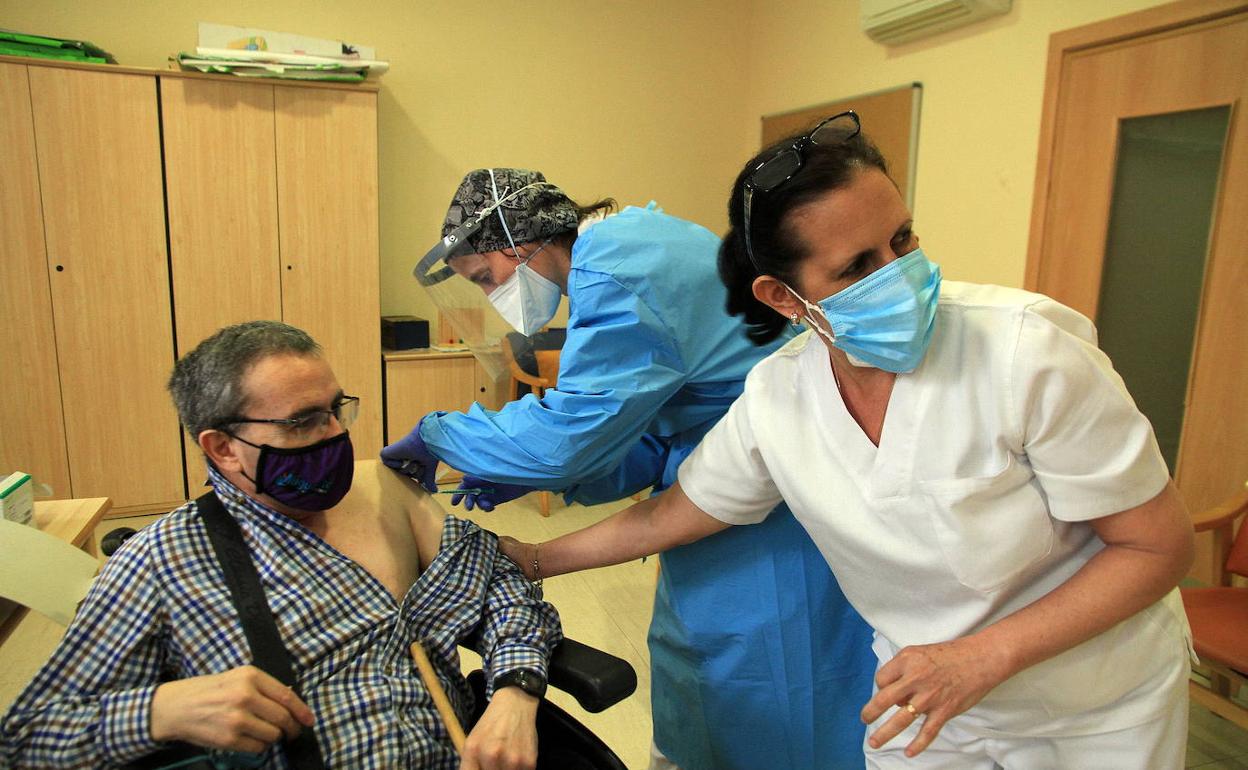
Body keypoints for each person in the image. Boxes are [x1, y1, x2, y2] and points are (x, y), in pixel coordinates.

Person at [498, 114, 1198, 768]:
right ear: (783, 299)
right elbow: (678, 512)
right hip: (927, 698)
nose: (899, 274)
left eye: (904, 238)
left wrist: (985, 655)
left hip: (1093, 707)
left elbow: (1157, 545)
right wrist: (533, 557)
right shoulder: (780, 395)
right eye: (857, 266)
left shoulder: (1027, 355)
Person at [384, 168, 875, 769]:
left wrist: (443, 435)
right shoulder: (630, 241)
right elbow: (656, 422)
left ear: (521, 241)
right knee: (711, 668)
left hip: (778, 508)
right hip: (733, 472)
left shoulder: (620, 268)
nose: (492, 297)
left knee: (775, 684)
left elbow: (571, 435)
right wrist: (555, 473)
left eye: (488, 278)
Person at [0, 321, 561, 770]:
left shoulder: (382, 492)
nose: (335, 435)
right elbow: (26, 740)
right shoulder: (163, 560)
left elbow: (503, 588)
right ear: (222, 448)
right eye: (303, 423)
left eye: (337, 410)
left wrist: (514, 693)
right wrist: (157, 711)